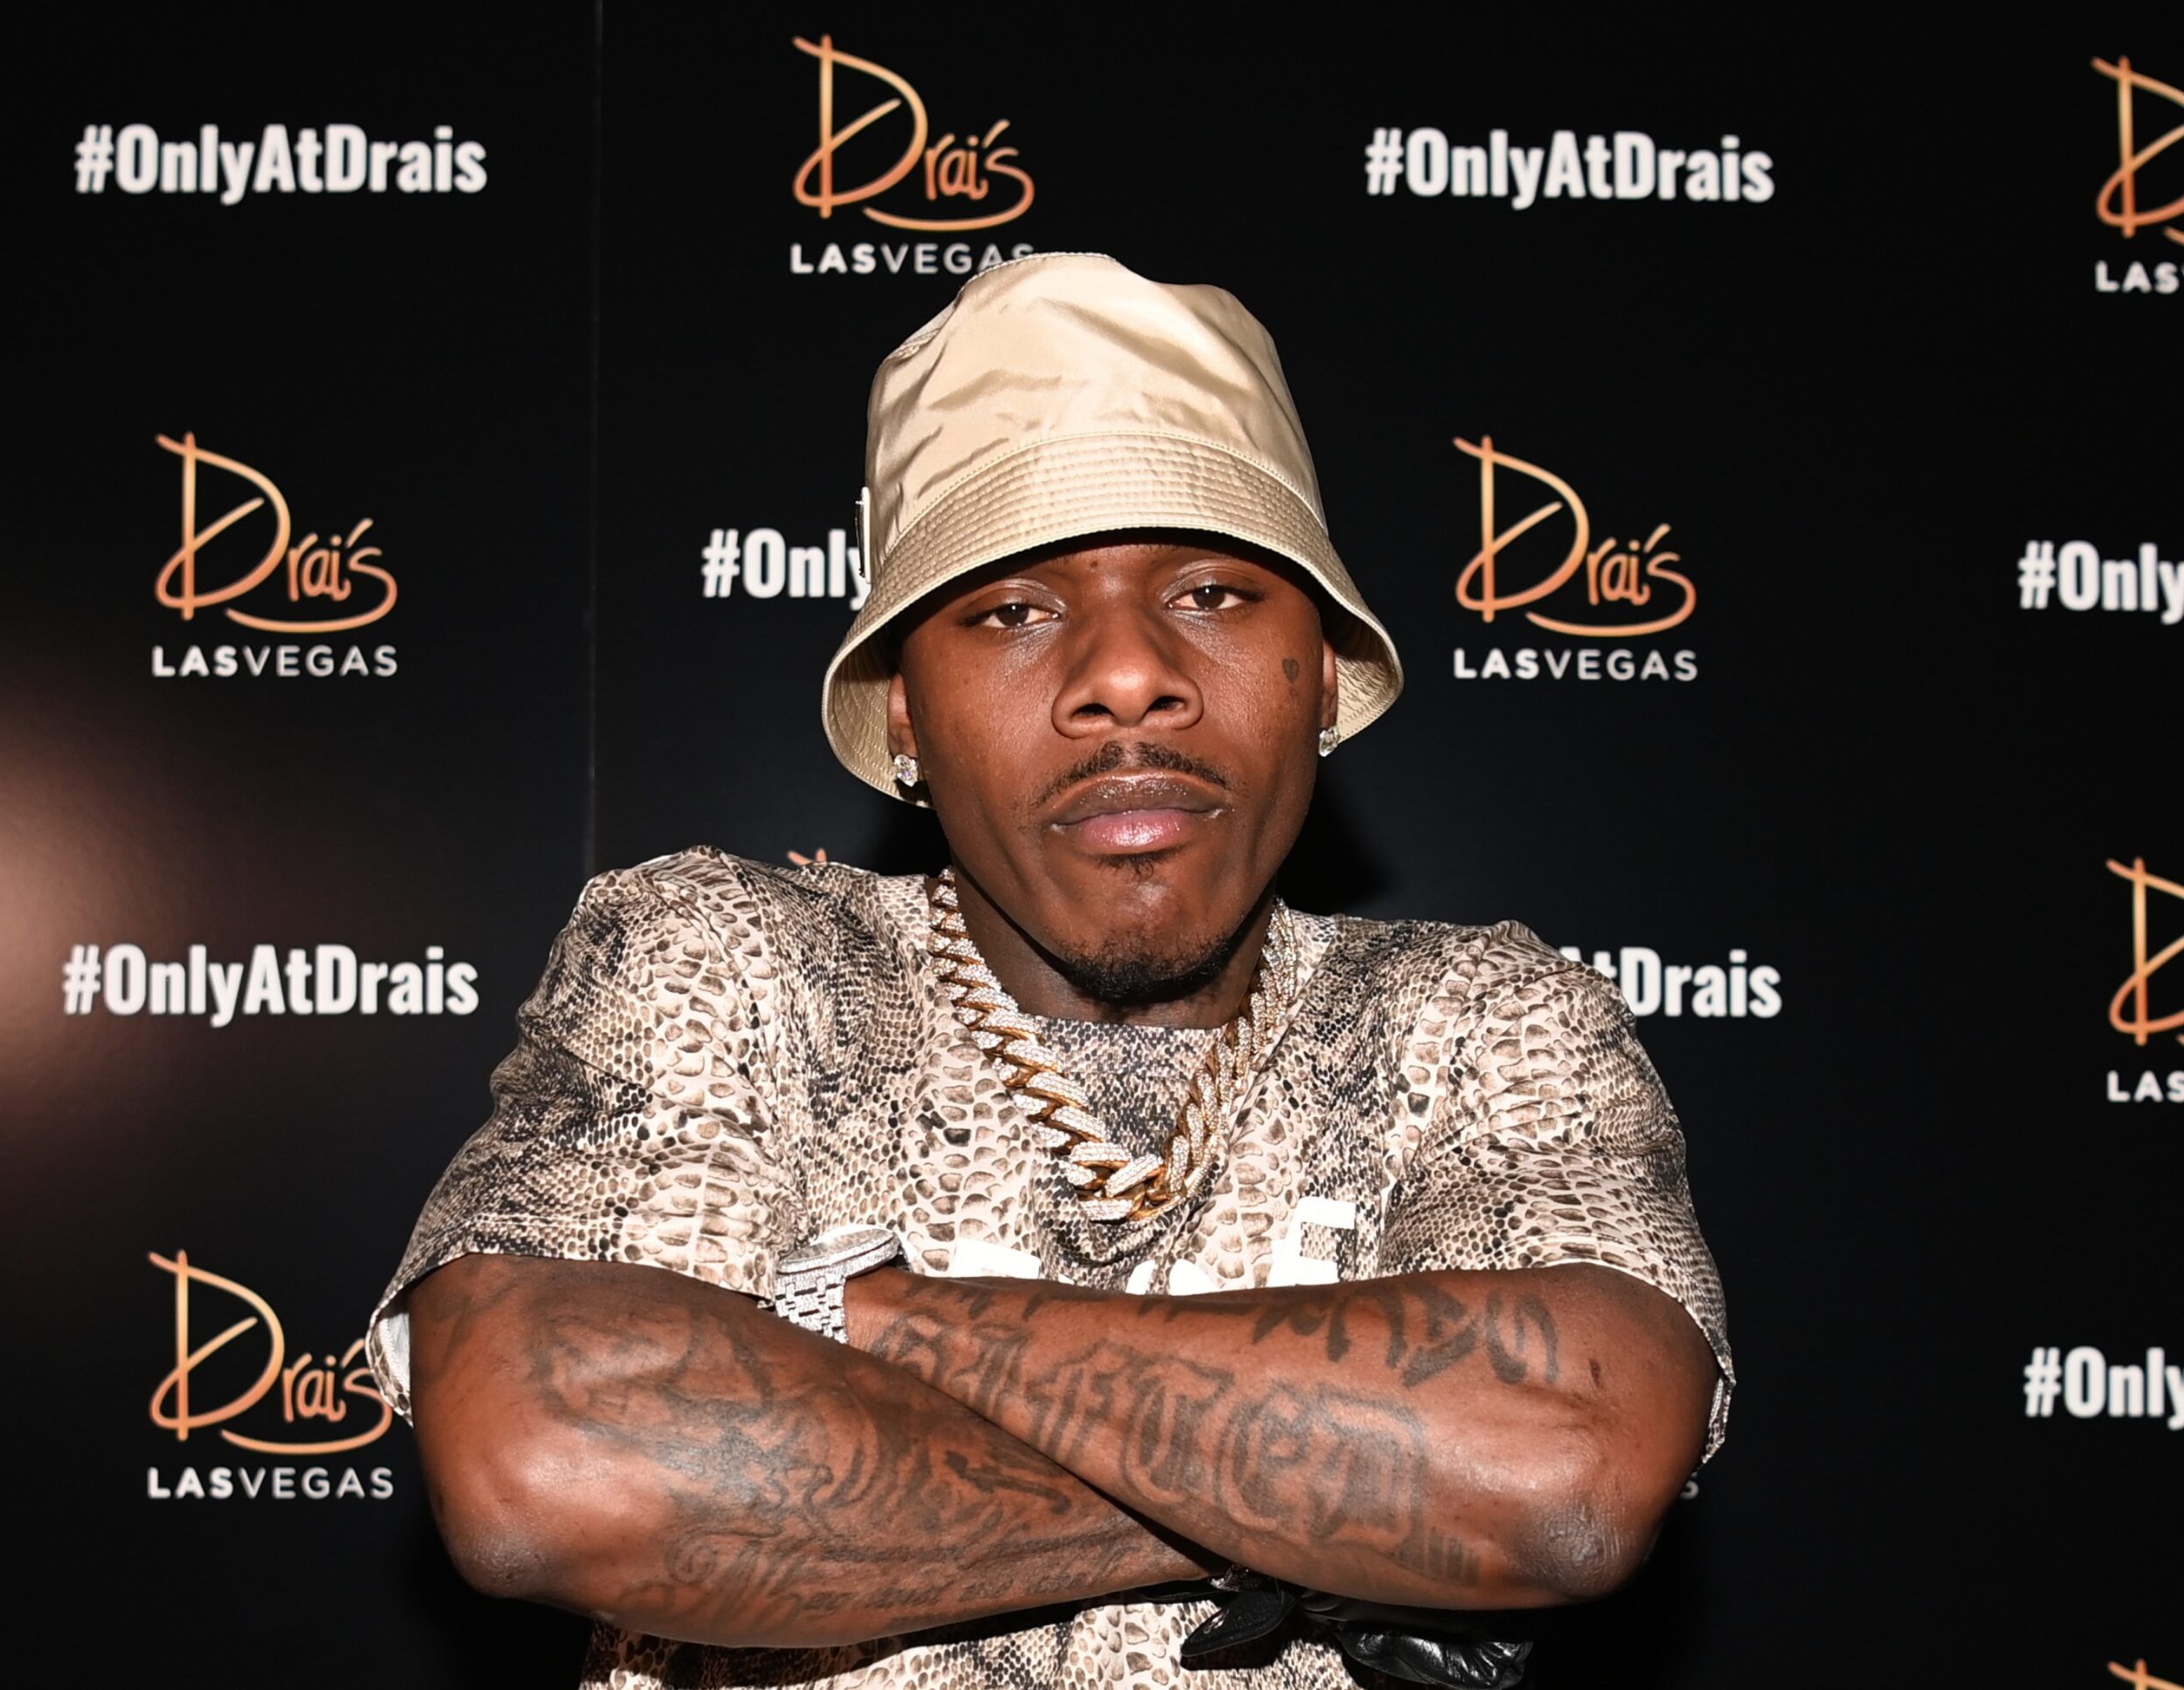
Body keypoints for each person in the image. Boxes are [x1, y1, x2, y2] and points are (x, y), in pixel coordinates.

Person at [365, 252, 1733, 1690]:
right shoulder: (726, 966)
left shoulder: (1480, 1021)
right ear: (905, 708)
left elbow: (1562, 1477)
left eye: (1212, 590)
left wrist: (866, 1312)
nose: (1126, 675)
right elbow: (556, 1470)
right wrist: (1327, 1516)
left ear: (1324, 671)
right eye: (1012, 609)